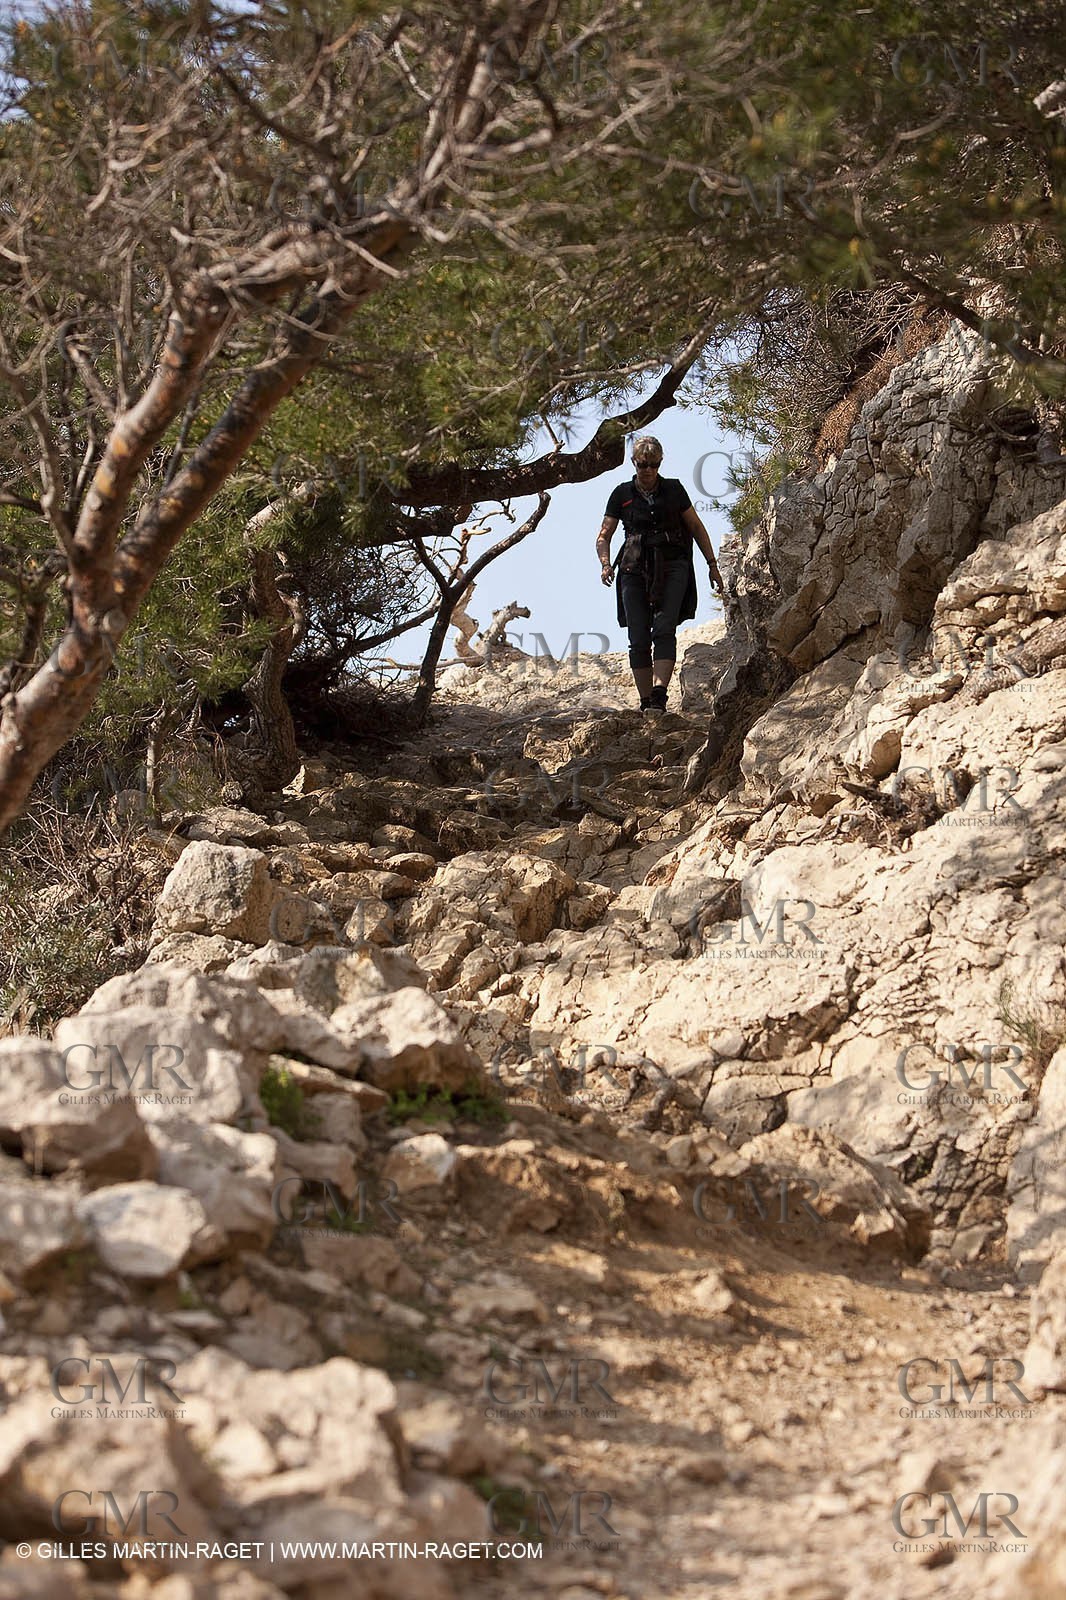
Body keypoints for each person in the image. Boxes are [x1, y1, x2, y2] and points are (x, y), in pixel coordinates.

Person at [596, 435, 724, 713]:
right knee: (638, 636)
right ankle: (645, 703)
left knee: (665, 628)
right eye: (642, 464)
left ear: (660, 463)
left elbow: (696, 527)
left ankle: (659, 695)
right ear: (634, 463)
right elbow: (604, 535)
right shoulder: (621, 494)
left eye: (653, 464)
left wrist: (712, 564)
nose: (648, 470)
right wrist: (605, 563)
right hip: (633, 566)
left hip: (672, 564)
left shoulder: (674, 490)